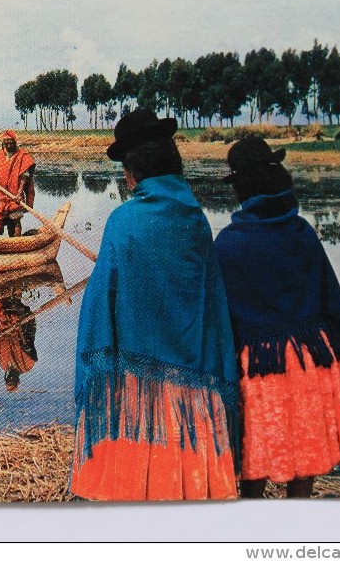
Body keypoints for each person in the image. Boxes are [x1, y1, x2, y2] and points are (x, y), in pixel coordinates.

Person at [70, 109, 240, 501]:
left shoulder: (124, 221)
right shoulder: (196, 220)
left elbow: (100, 305)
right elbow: (210, 299)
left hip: (135, 390)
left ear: (132, 174)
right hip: (193, 385)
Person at [214, 136, 340, 499]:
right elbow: (331, 302)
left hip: (261, 373)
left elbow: (220, 320)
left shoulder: (230, 244)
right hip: (313, 365)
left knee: (253, 466)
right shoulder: (302, 232)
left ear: (242, 188)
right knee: (305, 467)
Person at [0, 130, 35, 237]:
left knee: (15, 219)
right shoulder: (0, 155)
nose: (8, 145)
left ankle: (16, 242)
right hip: (2, 193)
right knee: (4, 218)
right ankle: (9, 245)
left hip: (14, 194)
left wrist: (19, 193)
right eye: (6, 143)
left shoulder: (22, 156)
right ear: (3, 143)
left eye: (11, 142)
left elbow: (26, 175)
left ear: (15, 142)